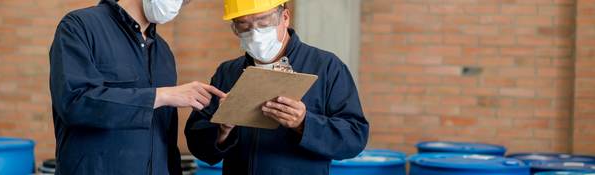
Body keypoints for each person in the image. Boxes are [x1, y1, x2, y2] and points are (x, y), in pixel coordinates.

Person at [185, 0, 369, 174]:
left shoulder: (326, 67)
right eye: (243, 25)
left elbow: (354, 138)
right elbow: (198, 146)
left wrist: (305, 123)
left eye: (263, 22)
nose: (255, 34)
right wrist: (222, 129)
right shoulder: (228, 72)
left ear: (285, 17)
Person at [49, 0, 226, 174]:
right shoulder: (80, 27)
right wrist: (159, 96)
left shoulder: (163, 51)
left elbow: (166, 139)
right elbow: (75, 102)